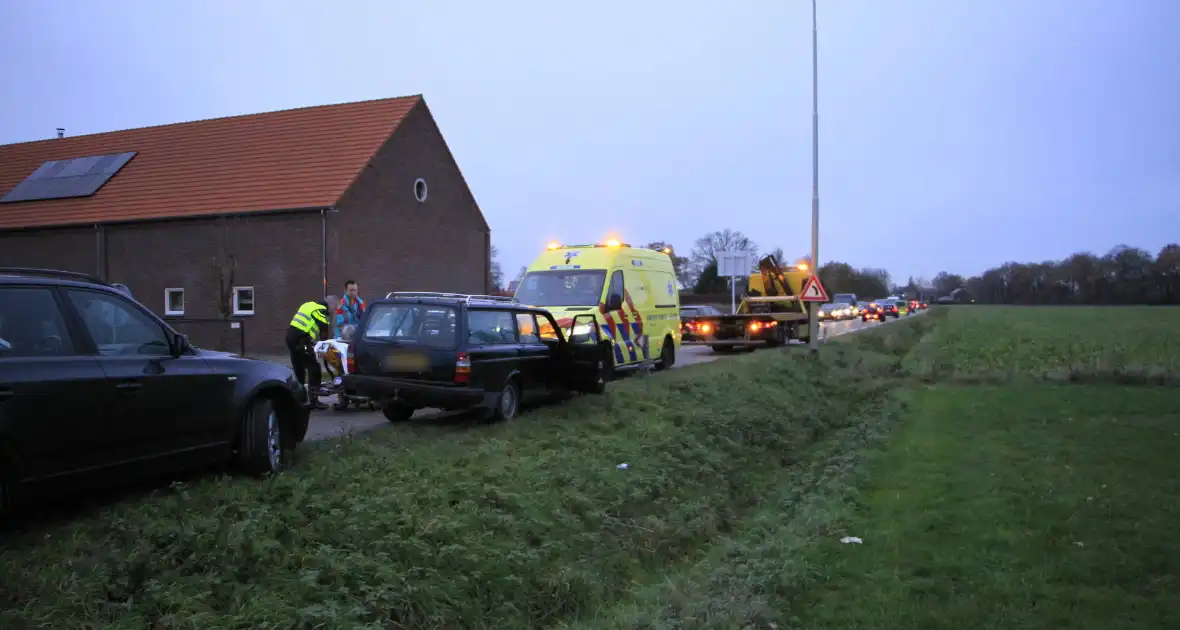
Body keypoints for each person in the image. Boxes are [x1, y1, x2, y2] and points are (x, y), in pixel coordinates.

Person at [287, 299, 331, 410]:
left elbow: (304, 326)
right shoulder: (321, 310)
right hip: (301, 341)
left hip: (291, 337)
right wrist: (324, 346)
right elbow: (324, 332)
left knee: (299, 369)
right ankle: (313, 400)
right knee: (314, 368)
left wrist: (311, 342)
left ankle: (298, 401)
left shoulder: (307, 305)